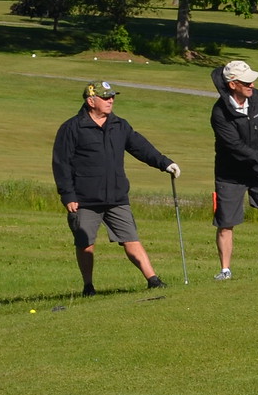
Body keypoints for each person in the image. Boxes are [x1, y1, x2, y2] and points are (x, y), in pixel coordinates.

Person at [51, 80, 180, 295]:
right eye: (105, 97)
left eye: (112, 96)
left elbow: (140, 147)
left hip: (116, 196)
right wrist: (68, 195)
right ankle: (88, 286)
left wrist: (164, 163)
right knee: (85, 243)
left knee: (131, 239)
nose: (111, 100)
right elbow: (61, 164)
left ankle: (153, 280)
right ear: (91, 101)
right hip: (85, 198)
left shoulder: (119, 125)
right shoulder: (72, 128)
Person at [208, 59, 258, 280]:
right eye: (247, 82)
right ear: (232, 84)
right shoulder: (219, 113)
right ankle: (225, 270)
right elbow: (237, 148)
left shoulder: (257, 99)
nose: (252, 85)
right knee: (226, 223)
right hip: (230, 173)